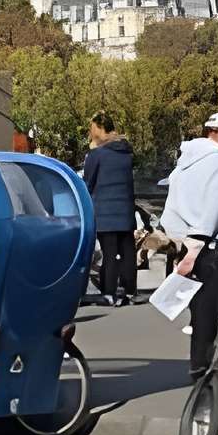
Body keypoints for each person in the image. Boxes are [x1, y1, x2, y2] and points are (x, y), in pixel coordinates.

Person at [160, 110, 218, 386]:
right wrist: (198, 244)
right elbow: (215, 207)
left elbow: (171, 209)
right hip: (216, 250)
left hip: (185, 246)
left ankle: (201, 383)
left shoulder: (183, 164)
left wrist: (183, 247)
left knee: (202, 319)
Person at [77, 115, 137, 307]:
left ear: (98, 129)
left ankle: (109, 292)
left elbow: (88, 183)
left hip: (105, 211)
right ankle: (129, 292)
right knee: (127, 252)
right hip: (125, 209)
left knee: (110, 254)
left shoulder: (97, 155)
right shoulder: (125, 151)